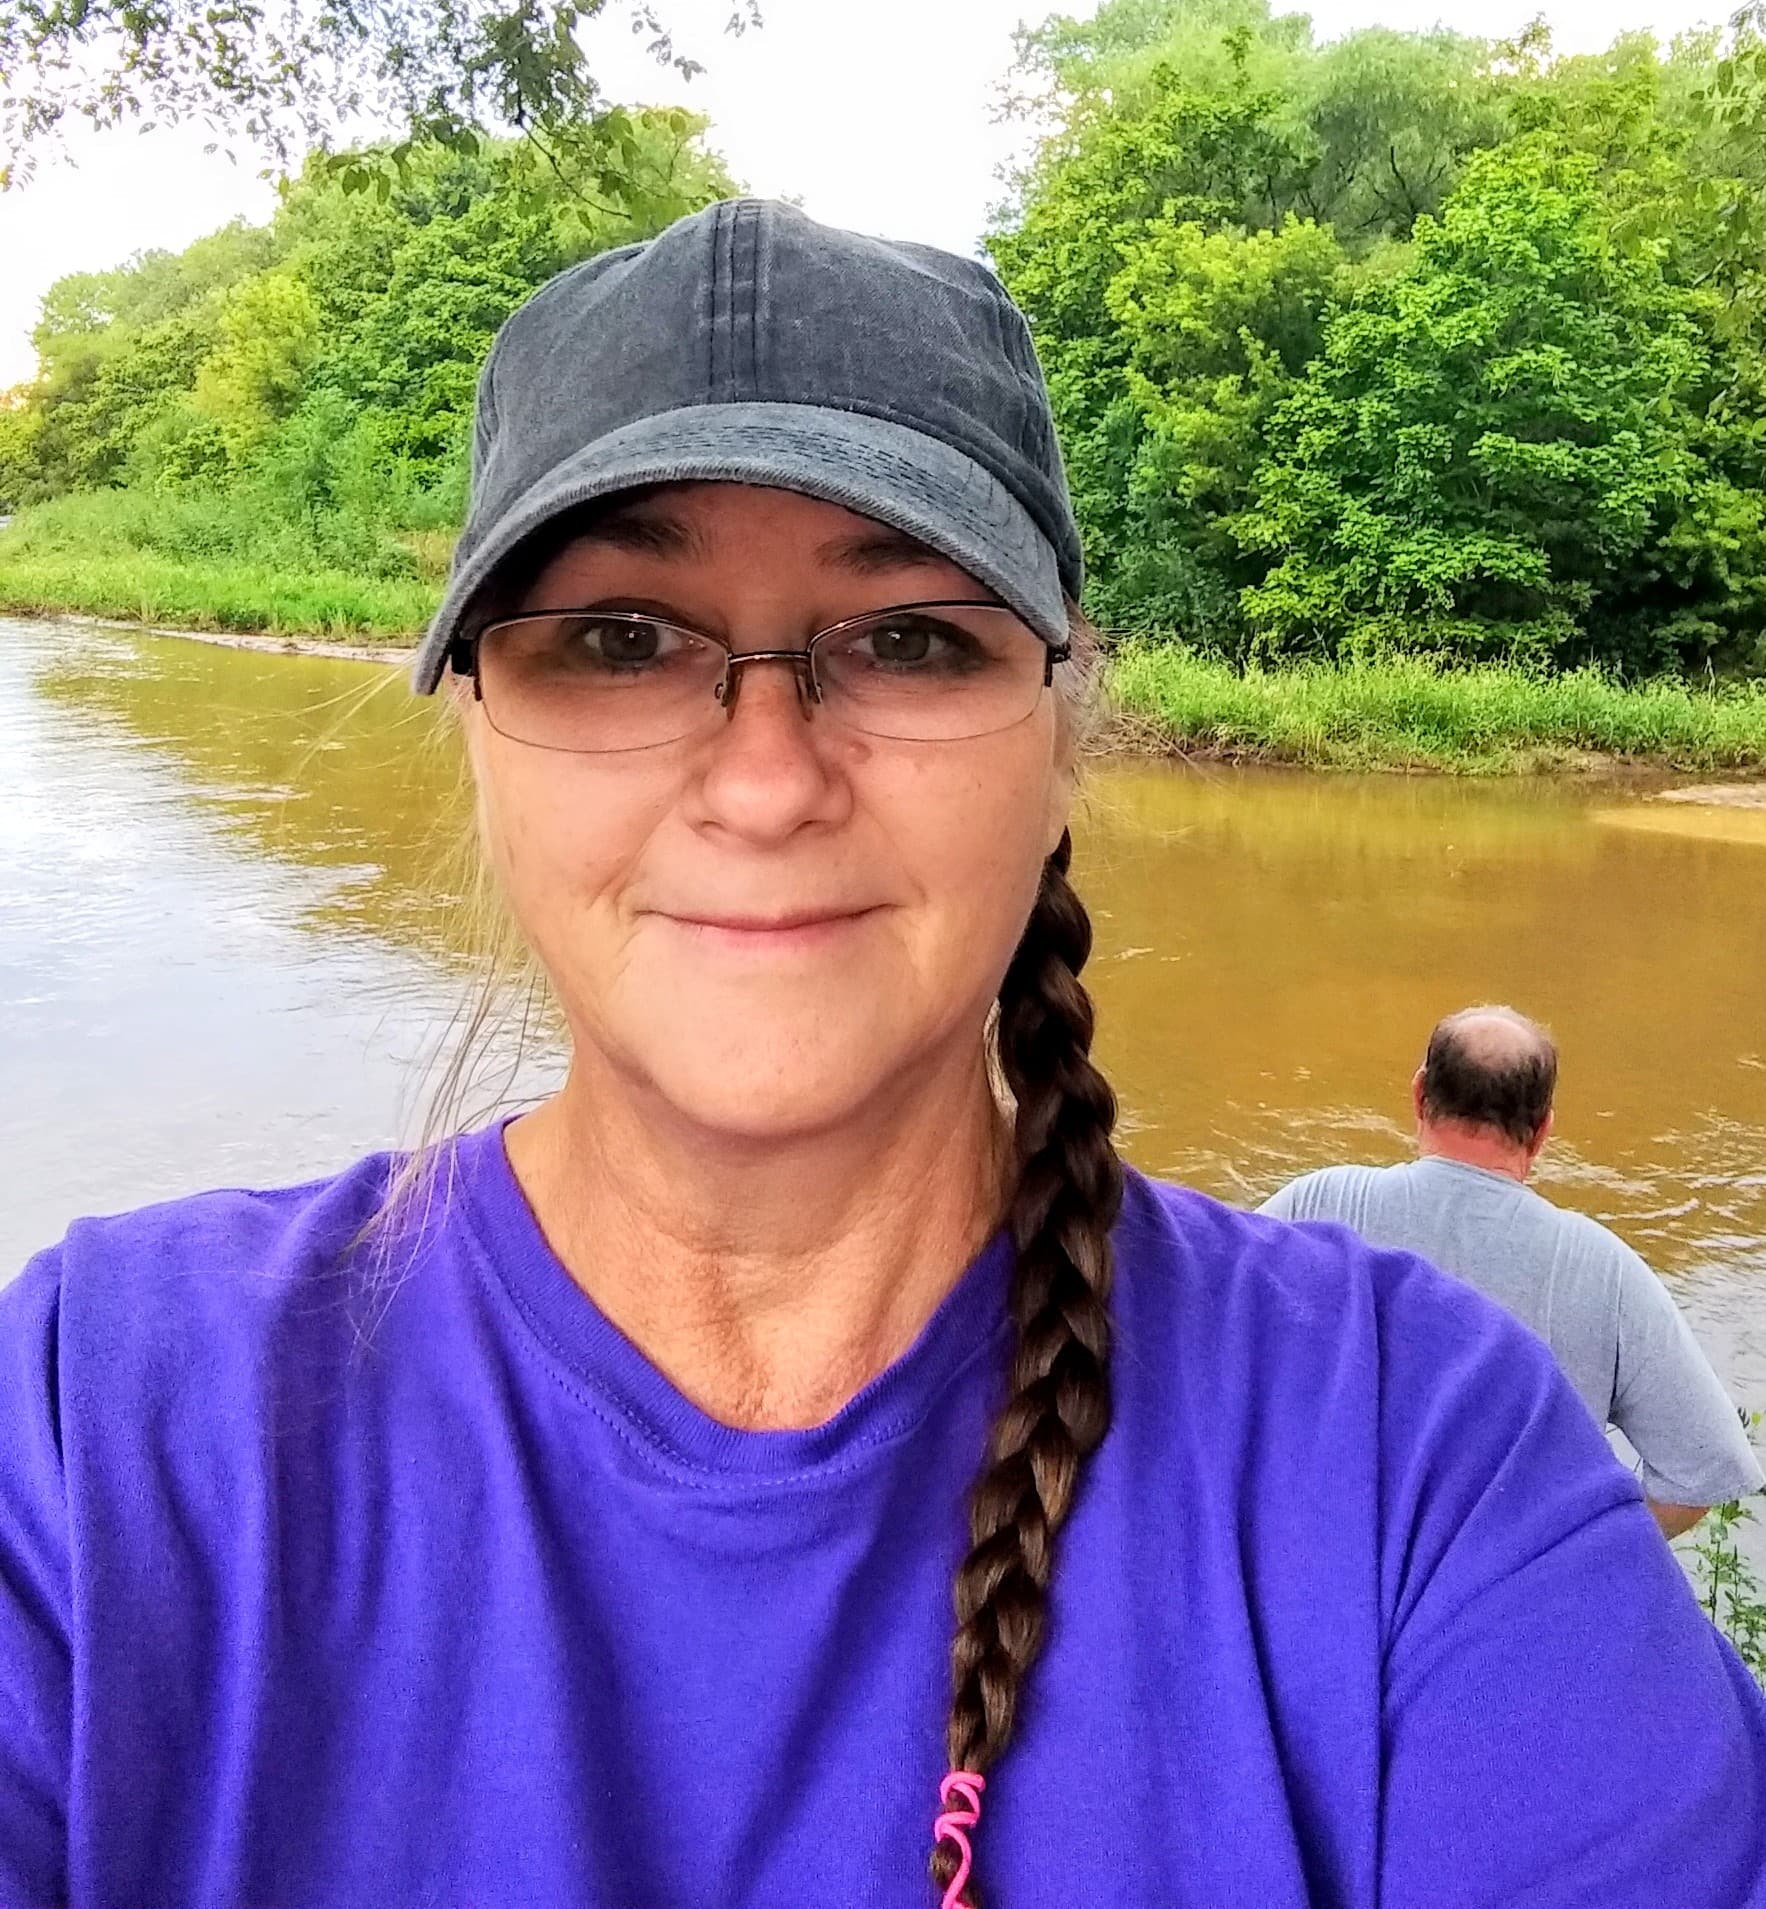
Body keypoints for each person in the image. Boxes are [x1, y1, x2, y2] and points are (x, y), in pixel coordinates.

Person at [2, 202, 1764, 1909]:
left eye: (908, 637)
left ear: (1066, 723)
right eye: (618, 638)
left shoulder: (1410, 1451)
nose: (767, 782)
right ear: (477, 719)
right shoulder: (106, 1420)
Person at [1261, 1004, 1763, 1538]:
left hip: (1321, 1564)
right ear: (1543, 1130)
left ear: (1419, 1095)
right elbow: (1704, 1471)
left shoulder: (1316, 1206)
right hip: (1503, 1585)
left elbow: (1206, 1336)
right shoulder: (1602, 1268)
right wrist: (1568, 1558)